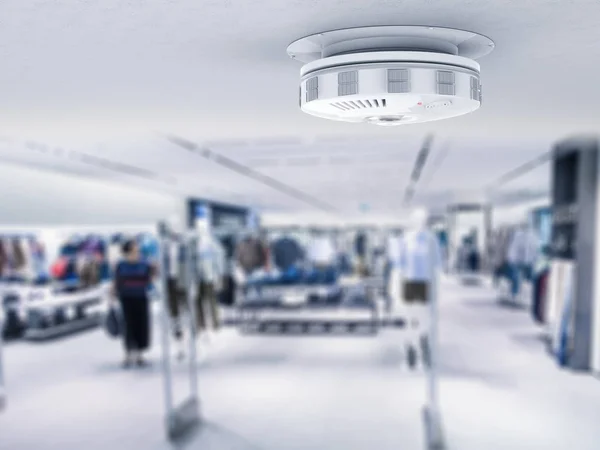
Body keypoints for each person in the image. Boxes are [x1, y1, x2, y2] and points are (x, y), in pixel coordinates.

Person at [113, 240, 154, 368]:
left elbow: (150, 279)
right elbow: (116, 282)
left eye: (137, 250)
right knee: (128, 325)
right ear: (127, 252)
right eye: (133, 250)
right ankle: (128, 353)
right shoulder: (120, 265)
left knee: (141, 325)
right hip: (126, 298)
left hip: (141, 297)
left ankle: (140, 354)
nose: (136, 253)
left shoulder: (145, 264)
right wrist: (113, 293)